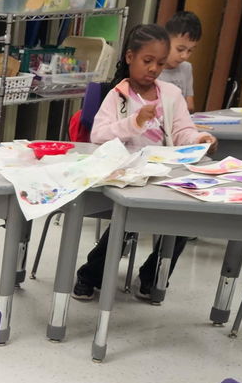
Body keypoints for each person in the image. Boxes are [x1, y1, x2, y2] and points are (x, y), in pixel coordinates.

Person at [72, 23, 216, 303]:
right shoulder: (118, 96)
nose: (153, 69)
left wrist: (199, 139)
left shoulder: (171, 95)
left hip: (166, 174)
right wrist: (134, 123)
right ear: (130, 57)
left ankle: (151, 279)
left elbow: (183, 131)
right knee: (126, 219)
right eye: (147, 61)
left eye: (160, 63)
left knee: (183, 223)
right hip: (127, 175)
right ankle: (90, 275)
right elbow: (98, 135)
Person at [159, 11, 202, 113]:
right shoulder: (154, 69)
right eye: (180, 49)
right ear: (165, 41)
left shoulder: (186, 68)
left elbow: (190, 106)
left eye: (190, 51)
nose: (185, 56)